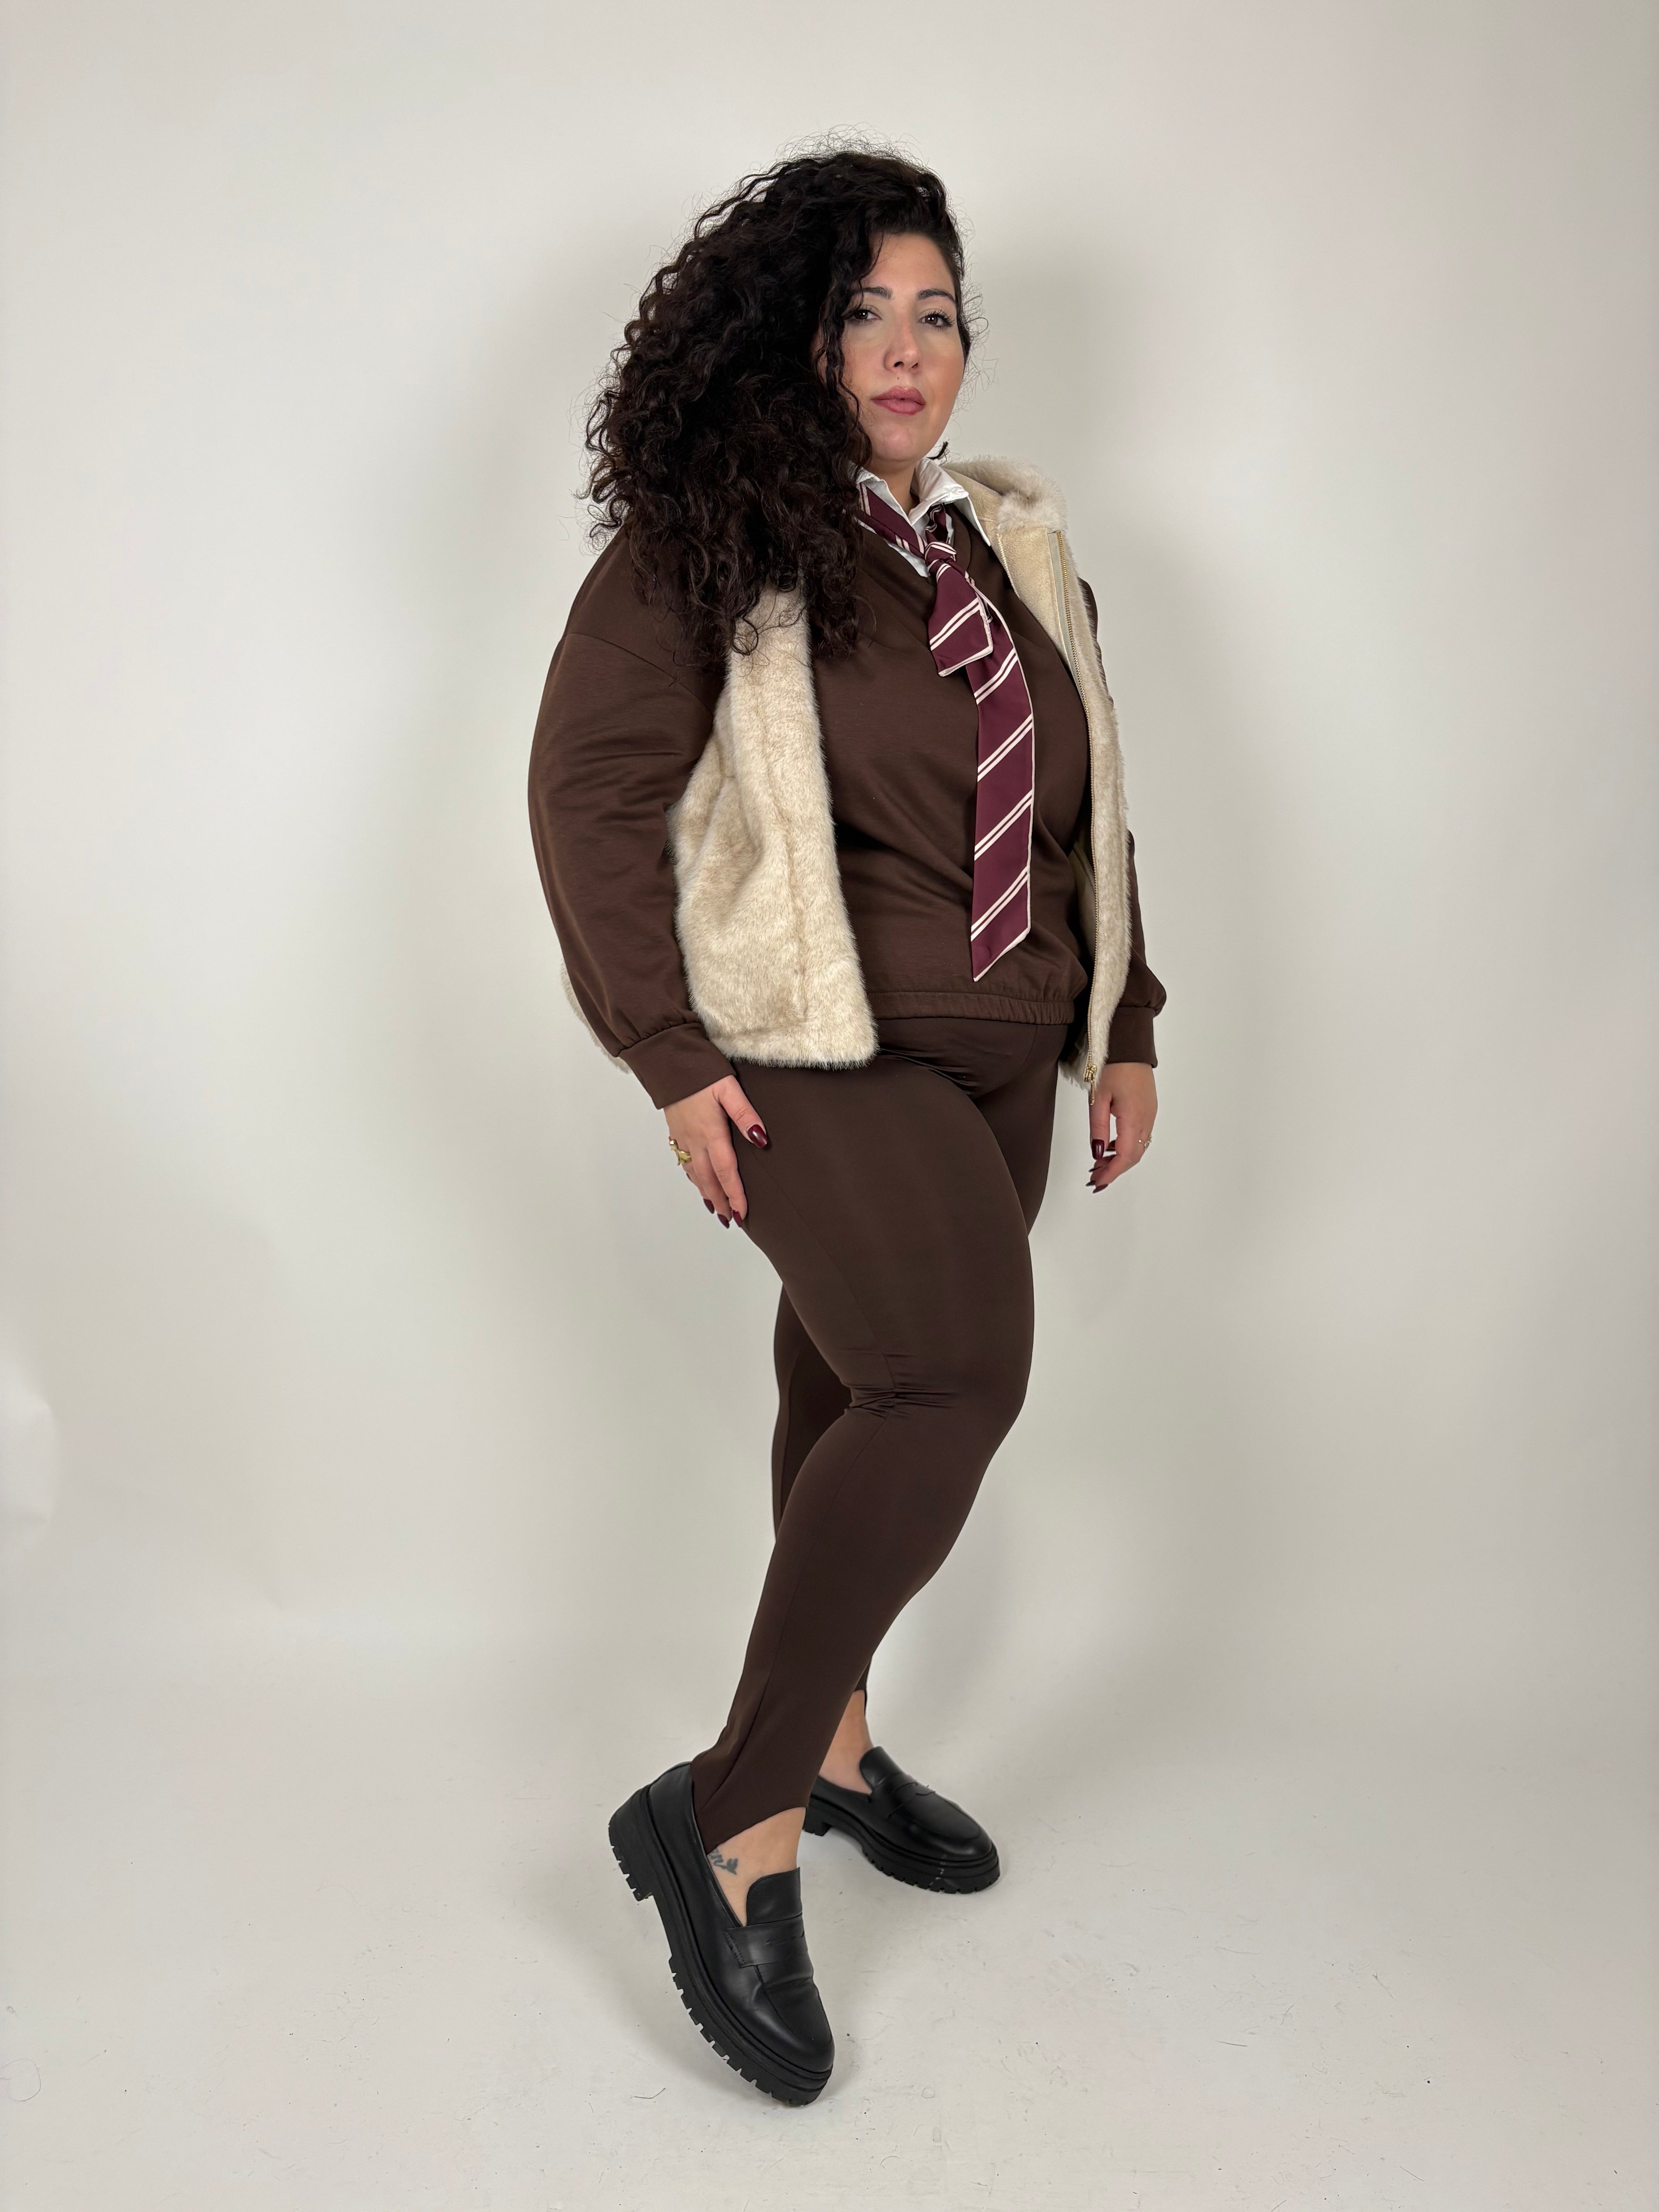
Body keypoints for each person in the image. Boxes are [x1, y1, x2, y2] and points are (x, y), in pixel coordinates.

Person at [528, 148, 1166, 2106]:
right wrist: (666, 1053)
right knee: (952, 1377)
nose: (906, 347)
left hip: (1001, 1049)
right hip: (811, 1044)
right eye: (863, 311)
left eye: (936, 312)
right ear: (793, 341)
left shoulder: (1008, 555)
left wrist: (1126, 1019)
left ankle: (832, 1739)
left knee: (851, 1385)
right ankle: (729, 1812)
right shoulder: (715, 536)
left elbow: (1086, 805)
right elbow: (586, 789)